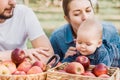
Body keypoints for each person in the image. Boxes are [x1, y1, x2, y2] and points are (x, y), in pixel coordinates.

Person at [50, 0, 120, 62]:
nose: (85, 17)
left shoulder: (109, 31)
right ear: (67, 19)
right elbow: (52, 68)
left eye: (88, 10)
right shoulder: (57, 38)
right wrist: (65, 60)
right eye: (77, 14)